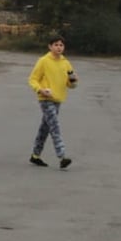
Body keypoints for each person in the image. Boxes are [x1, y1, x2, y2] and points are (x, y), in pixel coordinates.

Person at [28, 34, 78, 169]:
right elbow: (33, 79)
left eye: (61, 45)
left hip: (58, 99)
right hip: (46, 99)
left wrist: (74, 80)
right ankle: (62, 156)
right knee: (55, 126)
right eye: (56, 44)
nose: (59, 47)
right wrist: (40, 89)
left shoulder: (66, 63)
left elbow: (71, 84)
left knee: (45, 128)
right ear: (50, 46)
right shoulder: (43, 61)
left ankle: (35, 155)